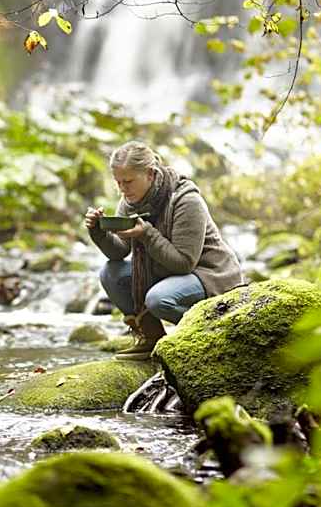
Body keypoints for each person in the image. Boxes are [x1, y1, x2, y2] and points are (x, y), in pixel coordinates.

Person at [85, 141, 243, 360]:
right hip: (166, 271)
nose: (122, 189)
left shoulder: (186, 200)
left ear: (150, 174)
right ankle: (151, 338)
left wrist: (146, 234)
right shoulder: (129, 201)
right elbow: (119, 253)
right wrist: (98, 232)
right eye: (118, 182)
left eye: (128, 181)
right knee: (111, 272)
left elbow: (184, 263)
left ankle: (212, 335)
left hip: (208, 274)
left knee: (159, 299)